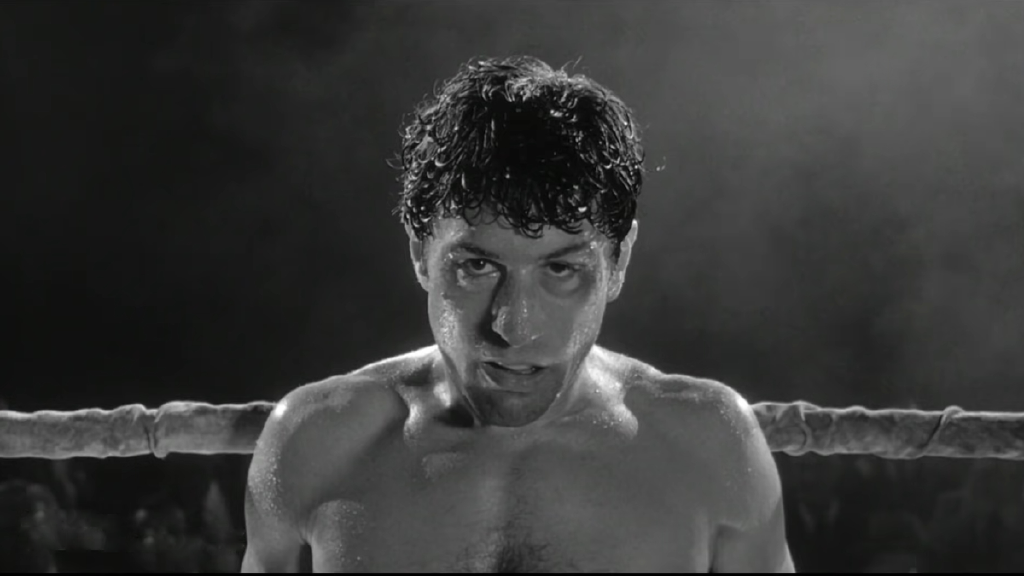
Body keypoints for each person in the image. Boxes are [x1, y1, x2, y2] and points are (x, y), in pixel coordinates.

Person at [241, 55, 795, 573]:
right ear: (420, 254)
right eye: (477, 266)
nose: (513, 327)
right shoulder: (316, 442)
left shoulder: (710, 448)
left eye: (561, 269)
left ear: (619, 261)